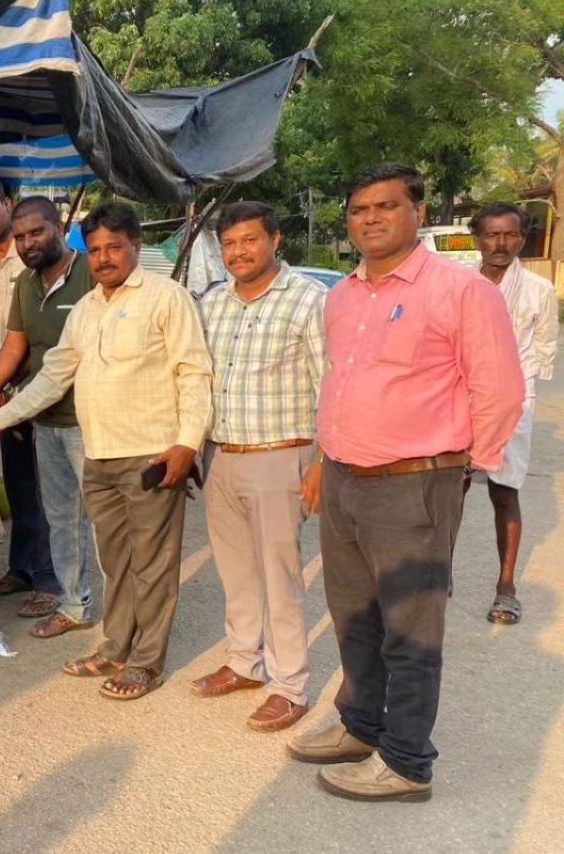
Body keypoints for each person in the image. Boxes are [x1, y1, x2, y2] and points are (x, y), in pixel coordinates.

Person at [288, 163, 523, 801]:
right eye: (358, 209)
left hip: (414, 483)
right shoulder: (342, 295)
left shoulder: (462, 291)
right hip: (344, 479)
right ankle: (360, 725)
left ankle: (406, 761)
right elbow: (339, 383)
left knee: (410, 629)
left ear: (417, 212)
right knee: (353, 617)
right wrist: (324, 458)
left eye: (386, 206)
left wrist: (462, 467)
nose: (370, 218)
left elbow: (500, 390)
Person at [0, 201, 213, 701]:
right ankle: (116, 646)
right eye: (97, 249)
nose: (105, 258)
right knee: (117, 561)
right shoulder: (86, 309)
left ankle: (146, 662)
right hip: (99, 453)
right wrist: (1, 417)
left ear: (136, 247)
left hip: (151, 453)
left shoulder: (166, 298)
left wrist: (187, 444)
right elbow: (54, 375)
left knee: (152, 563)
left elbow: (194, 373)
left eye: (115, 248)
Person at [192, 201, 326, 733]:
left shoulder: (308, 300)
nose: (238, 252)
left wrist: (323, 462)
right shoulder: (213, 302)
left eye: (249, 240)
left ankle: (290, 686)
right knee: (235, 570)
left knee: (279, 575)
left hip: (280, 455)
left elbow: (331, 383)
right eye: (229, 243)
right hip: (221, 454)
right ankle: (245, 662)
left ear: (275, 241)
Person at [0, 196, 98, 638]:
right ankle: (74, 603)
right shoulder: (27, 282)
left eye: (36, 232)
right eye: (20, 237)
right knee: (60, 517)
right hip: (45, 418)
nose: (27, 243)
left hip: (91, 419)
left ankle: (127, 614)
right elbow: (14, 347)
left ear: (59, 227)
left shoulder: (90, 273)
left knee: (103, 520)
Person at [0, 176, 59, 620]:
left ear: (7, 203)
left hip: (38, 385)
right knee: (19, 483)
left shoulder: (32, 258)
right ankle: (21, 568)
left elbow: (34, 338)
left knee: (47, 488)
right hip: (1, 392)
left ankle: (49, 580)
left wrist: (10, 388)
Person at [469, 203, 558, 625]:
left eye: (510, 234)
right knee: (448, 493)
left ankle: (506, 588)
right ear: (478, 238)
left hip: (513, 402)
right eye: (492, 234)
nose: (501, 243)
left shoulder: (539, 291)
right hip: (460, 398)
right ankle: (437, 578)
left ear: (522, 238)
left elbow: (544, 349)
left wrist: (515, 394)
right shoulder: (460, 283)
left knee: (504, 493)